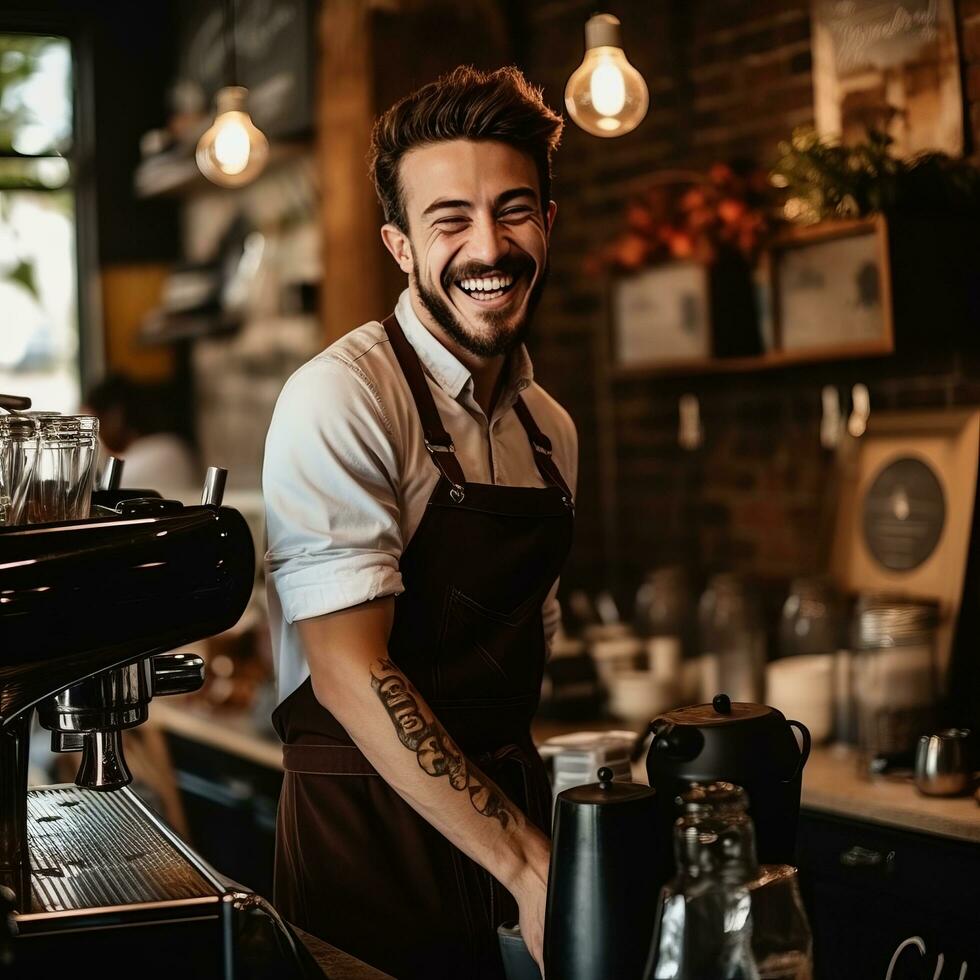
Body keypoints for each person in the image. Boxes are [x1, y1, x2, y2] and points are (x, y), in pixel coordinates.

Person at [263, 66, 576, 979]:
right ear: (401, 247)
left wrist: (535, 841)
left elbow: (528, 644)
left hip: (511, 835)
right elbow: (350, 668)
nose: (490, 247)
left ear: (548, 225)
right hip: (366, 850)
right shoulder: (344, 395)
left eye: (515, 211)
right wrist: (527, 860)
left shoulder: (551, 433)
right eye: (451, 221)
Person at [83, 374, 198, 495]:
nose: (97, 435)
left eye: (95, 424)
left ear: (115, 416)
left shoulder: (159, 455)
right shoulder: (174, 447)